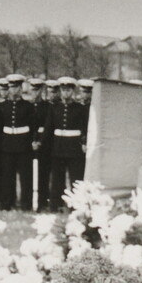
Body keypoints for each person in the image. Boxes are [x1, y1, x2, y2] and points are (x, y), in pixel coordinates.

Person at [0, 74, 41, 212]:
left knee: (25, 177)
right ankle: (7, 204)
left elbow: (34, 126)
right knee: (7, 177)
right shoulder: (3, 106)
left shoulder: (28, 106)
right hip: (7, 145)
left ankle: (26, 204)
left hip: (23, 145)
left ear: (21, 88)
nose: (13, 90)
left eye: (15, 87)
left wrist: (34, 140)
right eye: (10, 87)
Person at [42, 81, 90, 210]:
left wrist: (84, 143)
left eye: (68, 90)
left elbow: (85, 128)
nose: (65, 93)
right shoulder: (54, 108)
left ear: (73, 92)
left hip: (75, 147)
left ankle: (76, 205)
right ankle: (56, 204)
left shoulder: (80, 108)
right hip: (58, 147)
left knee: (76, 178)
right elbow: (49, 128)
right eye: (63, 90)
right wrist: (42, 143)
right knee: (57, 178)